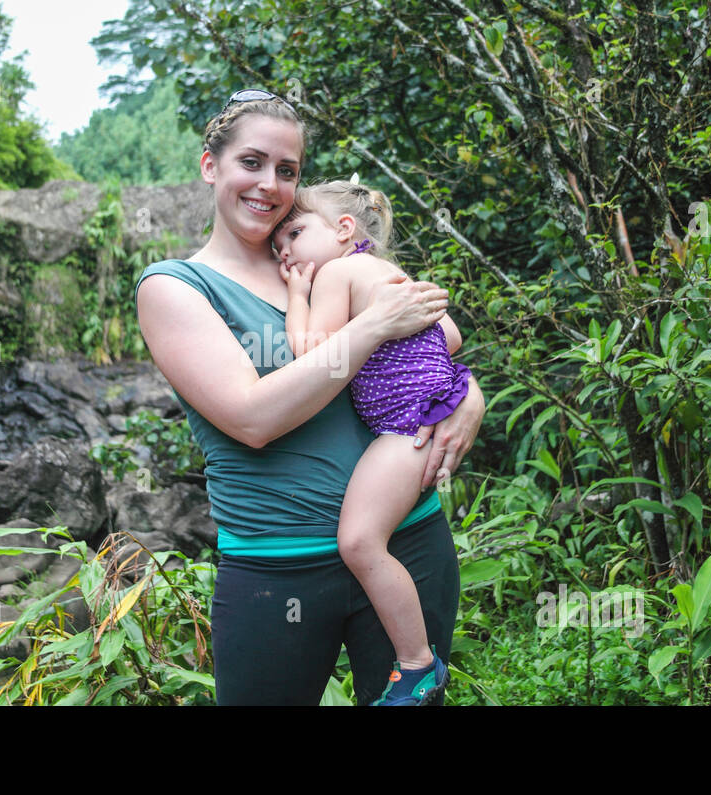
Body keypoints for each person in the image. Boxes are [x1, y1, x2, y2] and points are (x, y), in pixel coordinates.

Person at [134, 88, 485, 705]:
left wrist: (468, 398)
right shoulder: (175, 287)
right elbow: (252, 418)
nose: (269, 184)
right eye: (251, 162)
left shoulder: (322, 257)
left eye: (287, 171)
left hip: (407, 540)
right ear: (210, 165)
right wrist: (373, 325)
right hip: (278, 565)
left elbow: (432, 340)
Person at [272, 180, 472, 704]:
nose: (285, 249)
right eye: (278, 246)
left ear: (343, 230)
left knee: (359, 542)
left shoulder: (337, 273)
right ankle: (416, 662)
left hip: (406, 426)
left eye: (294, 232)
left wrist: (297, 296)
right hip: (428, 412)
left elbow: (312, 353)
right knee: (365, 540)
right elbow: (450, 336)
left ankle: (416, 664)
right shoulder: (390, 272)